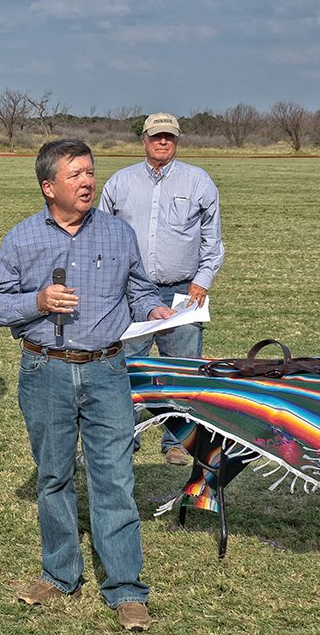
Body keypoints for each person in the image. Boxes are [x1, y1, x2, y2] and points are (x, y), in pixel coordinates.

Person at [0, 139, 171, 632]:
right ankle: (59, 574)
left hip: (108, 370)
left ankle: (126, 588)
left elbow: (139, 288)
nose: (88, 181)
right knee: (54, 475)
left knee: (114, 478)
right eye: (76, 175)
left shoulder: (117, 232)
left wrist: (153, 308)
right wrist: (38, 301)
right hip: (45, 371)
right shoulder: (22, 239)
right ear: (49, 187)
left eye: (90, 172)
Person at [98, 112, 224, 466]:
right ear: (145, 140)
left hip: (183, 290)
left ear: (177, 140)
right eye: (156, 136)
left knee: (181, 369)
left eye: (169, 136)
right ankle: (126, 437)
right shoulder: (120, 183)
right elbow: (102, 236)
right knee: (125, 367)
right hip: (130, 292)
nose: (163, 141)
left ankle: (175, 440)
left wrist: (202, 281)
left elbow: (213, 243)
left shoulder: (198, 181)